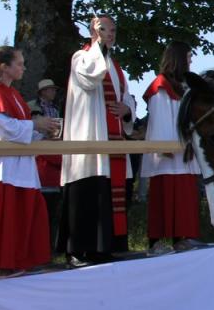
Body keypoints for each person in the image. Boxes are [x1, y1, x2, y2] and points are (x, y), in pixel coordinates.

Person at [0, 47, 61, 278]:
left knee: (19, 218)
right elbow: (6, 130)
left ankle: (17, 263)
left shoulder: (13, 95)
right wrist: (35, 126)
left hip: (18, 166)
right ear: (3, 67)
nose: (23, 68)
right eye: (19, 63)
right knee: (0, 218)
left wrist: (44, 131)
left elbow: (22, 130)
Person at [57, 15, 137, 266]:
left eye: (113, 30)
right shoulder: (82, 57)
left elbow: (127, 97)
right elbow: (90, 78)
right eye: (104, 29)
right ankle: (78, 250)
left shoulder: (116, 66)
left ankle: (105, 248)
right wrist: (98, 45)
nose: (110, 34)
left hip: (112, 141)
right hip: (90, 138)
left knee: (110, 194)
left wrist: (127, 109)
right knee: (87, 193)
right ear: (93, 30)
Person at [143, 41, 201, 255]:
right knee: (164, 197)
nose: (191, 61)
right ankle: (155, 242)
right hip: (168, 153)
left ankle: (180, 238)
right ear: (178, 59)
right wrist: (164, 145)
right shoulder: (161, 85)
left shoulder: (185, 86)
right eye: (188, 57)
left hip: (184, 150)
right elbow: (160, 118)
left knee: (183, 197)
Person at [28, 78, 63, 244]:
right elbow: (32, 131)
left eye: (54, 90)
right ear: (43, 91)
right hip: (39, 155)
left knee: (53, 209)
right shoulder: (34, 108)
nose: (53, 92)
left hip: (54, 152)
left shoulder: (55, 109)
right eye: (50, 89)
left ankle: (48, 246)